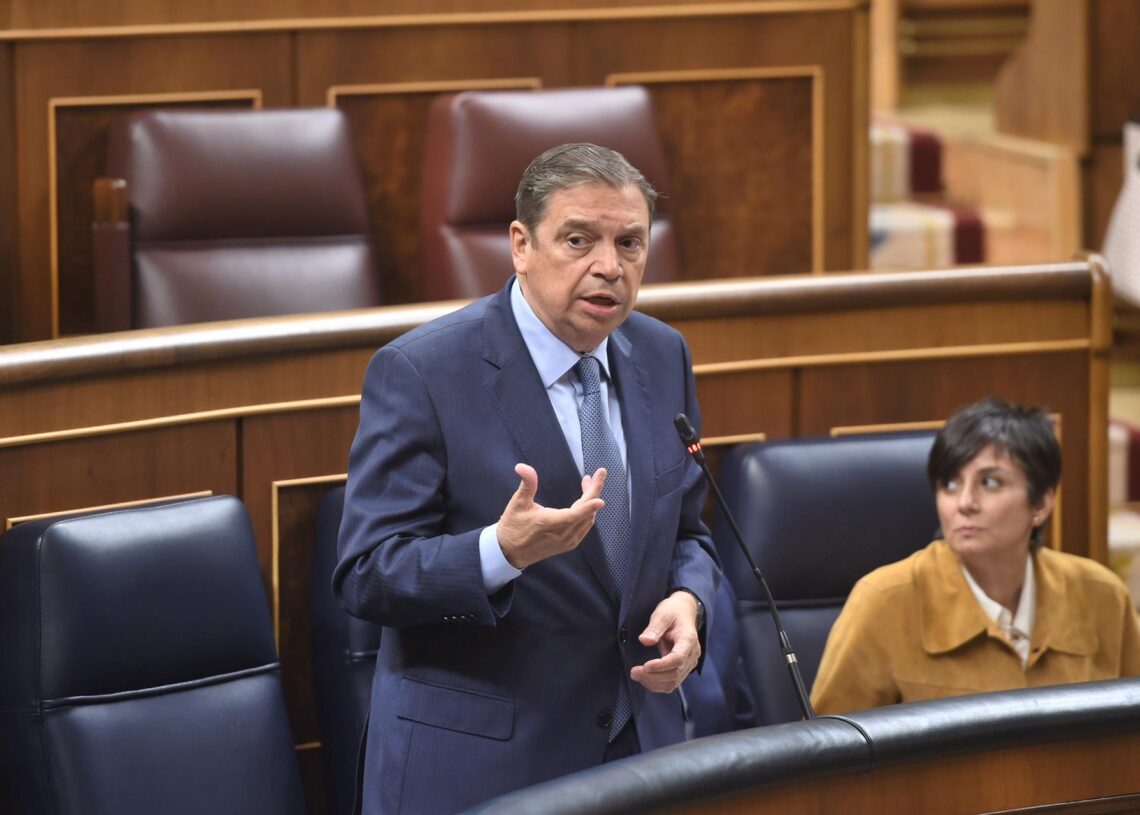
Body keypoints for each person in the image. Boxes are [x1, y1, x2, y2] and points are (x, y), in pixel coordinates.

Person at [334, 143, 721, 814]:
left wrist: (690, 601)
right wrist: (498, 553)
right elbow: (366, 572)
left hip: (636, 755)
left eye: (630, 243)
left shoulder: (664, 354)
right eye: (579, 240)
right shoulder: (423, 371)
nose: (609, 265)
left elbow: (687, 530)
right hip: (477, 769)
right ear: (520, 243)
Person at [812, 396, 1140, 714]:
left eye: (990, 482)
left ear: (1040, 503)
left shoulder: (1102, 596)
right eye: (950, 485)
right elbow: (826, 758)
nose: (964, 502)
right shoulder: (882, 602)